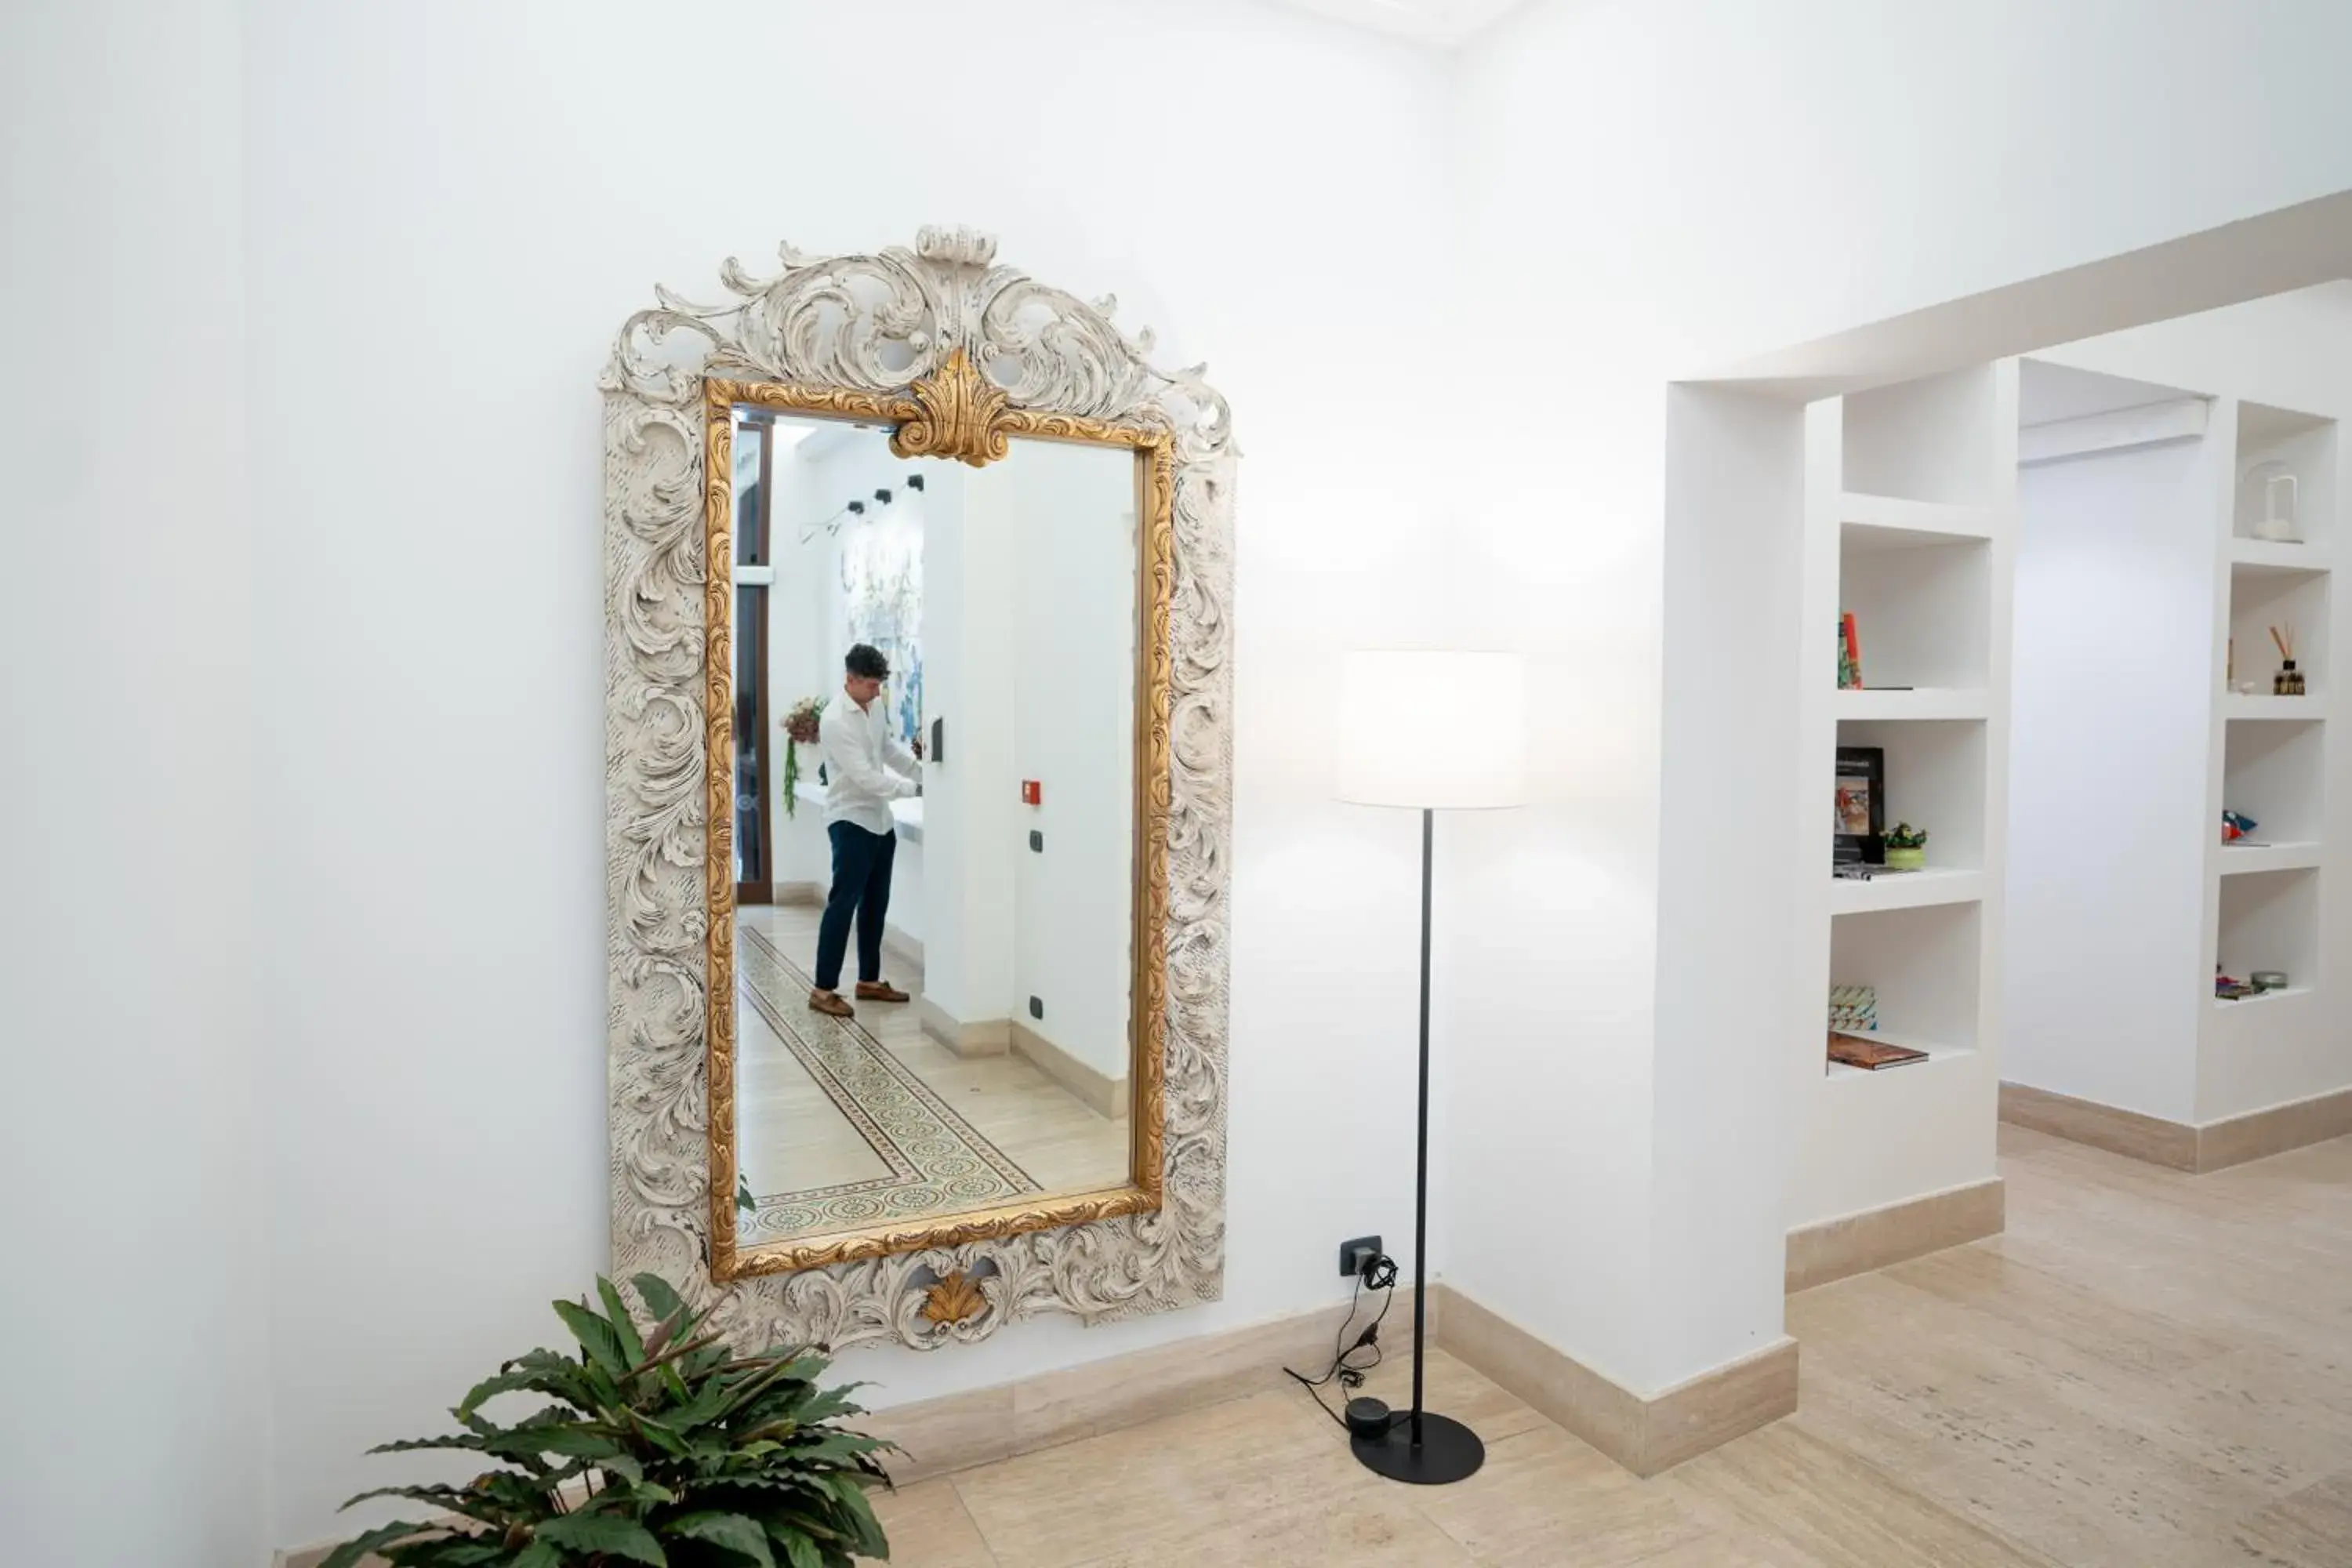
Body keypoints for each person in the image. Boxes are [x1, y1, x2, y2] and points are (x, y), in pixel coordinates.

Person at [808, 643, 922, 1017]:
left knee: (876, 904)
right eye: (871, 685)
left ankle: (868, 981)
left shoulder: (875, 707)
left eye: (879, 686)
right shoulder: (835, 720)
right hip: (850, 820)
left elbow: (889, 750)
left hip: (880, 821)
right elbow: (864, 777)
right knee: (843, 905)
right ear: (850, 680)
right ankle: (823, 989)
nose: (877, 692)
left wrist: (926, 776)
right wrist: (913, 789)